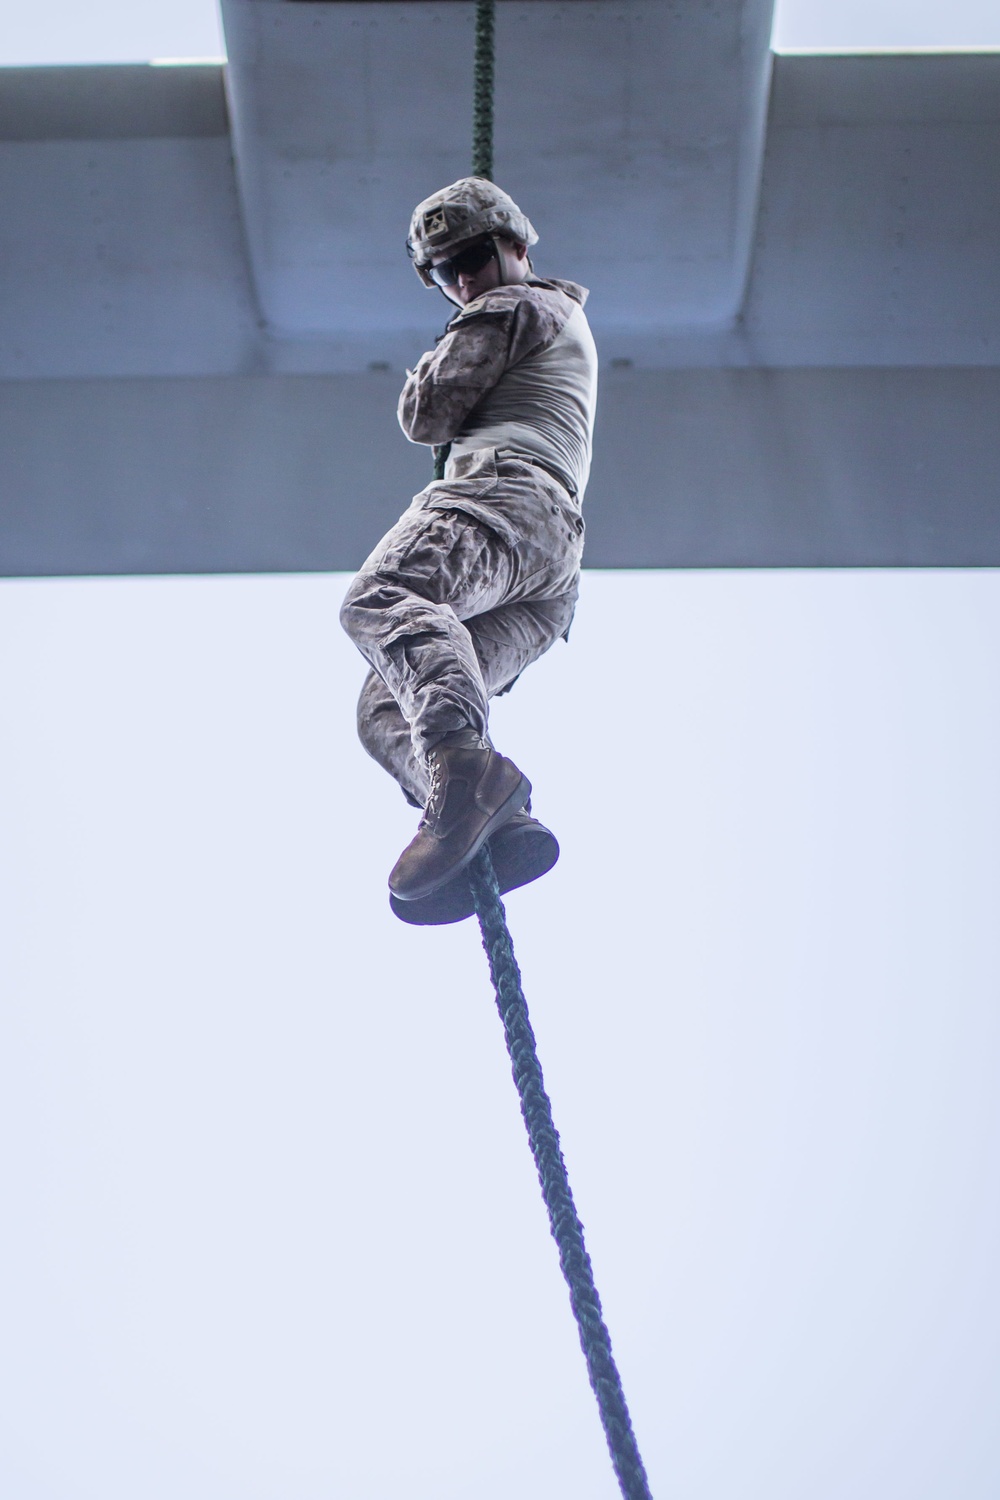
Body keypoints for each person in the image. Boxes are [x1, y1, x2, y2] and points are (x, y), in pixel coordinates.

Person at [340, 177, 598, 925]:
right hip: (549, 569)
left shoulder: (511, 306)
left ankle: (467, 777)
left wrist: (441, 350)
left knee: (379, 601)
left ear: (517, 245)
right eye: (442, 272)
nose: (460, 280)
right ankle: (492, 815)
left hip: (503, 499)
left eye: (473, 258)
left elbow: (427, 414)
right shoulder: (557, 317)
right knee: (386, 702)